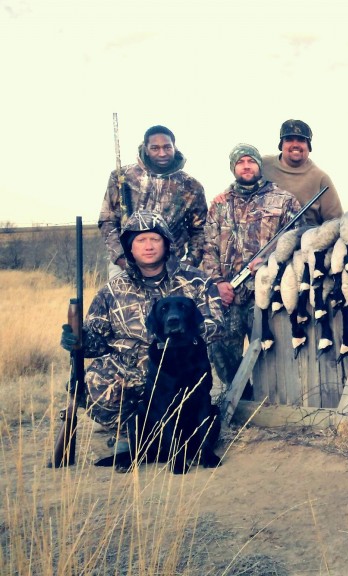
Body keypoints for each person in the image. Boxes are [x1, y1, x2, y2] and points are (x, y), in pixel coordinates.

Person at [60, 211, 222, 458]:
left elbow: (216, 324)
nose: (148, 246)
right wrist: (76, 340)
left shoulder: (196, 280)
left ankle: (187, 433)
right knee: (91, 380)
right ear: (130, 249)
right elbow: (96, 341)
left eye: (155, 239)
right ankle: (129, 433)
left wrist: (181, 337)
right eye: (140, 240)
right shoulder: (113, 290)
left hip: (179, 369)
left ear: (167, 243)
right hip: (130, 374)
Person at [203, 144, 301, 386]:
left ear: (259, 165)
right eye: (240, 162)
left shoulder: (284, 200)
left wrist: (268, 260)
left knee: (274, 350)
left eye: (251, 161)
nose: (246, 166)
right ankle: (239, 398)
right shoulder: (220, 204)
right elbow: (208, 247)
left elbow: (297, 240)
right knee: (220, 351)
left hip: (267, 292)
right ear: (233, 167)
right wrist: (218, 284)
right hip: (228, 294)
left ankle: (269, 402)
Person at [98, 125, 209, 277]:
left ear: (174, 147)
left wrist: (189, 263)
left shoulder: (191, 186)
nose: (162, 153)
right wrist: (122, 259)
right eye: (155, 148)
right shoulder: (122, 177)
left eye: (167, 147)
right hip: (127, 265)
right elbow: (107, 220)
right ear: (145, 148)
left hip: (172, 266)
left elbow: (199, 230)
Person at [261, 119, 342, 225]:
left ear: (309, 146)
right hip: (263, 239)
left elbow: (336, 222)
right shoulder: (262, 165)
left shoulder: (321, 178)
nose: (295, 144)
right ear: (281, 145)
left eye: (301, 140)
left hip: (303, 239)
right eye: (289, 139)